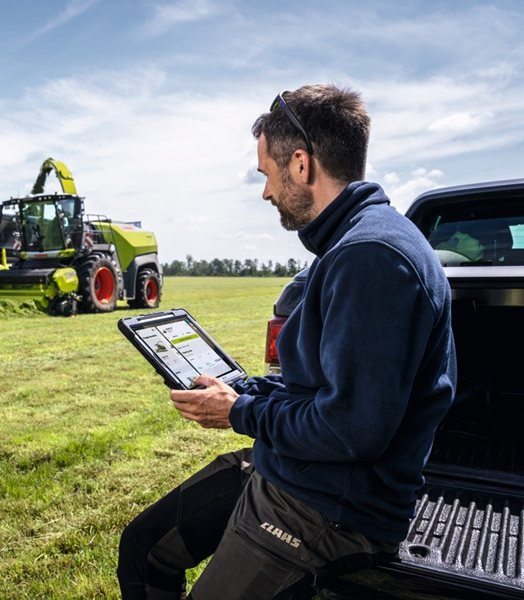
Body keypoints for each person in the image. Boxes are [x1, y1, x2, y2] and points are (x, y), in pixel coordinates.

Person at [117, 84, 457, 600]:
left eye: (267, 175)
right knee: (145, 547)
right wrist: (245, 392)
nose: (266, 192)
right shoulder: (354, 243)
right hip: (293, 468)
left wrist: (239, 413)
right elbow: (322, 389)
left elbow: (351, 431)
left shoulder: (371, 257)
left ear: (301, 165)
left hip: (330, 506)